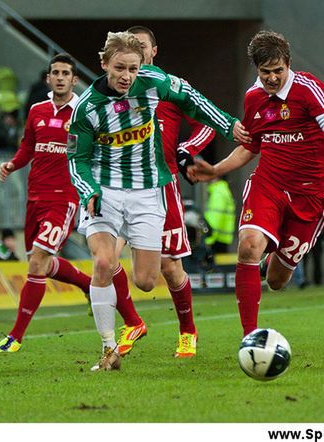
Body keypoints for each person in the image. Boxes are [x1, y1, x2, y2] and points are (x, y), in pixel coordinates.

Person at [67, 31, 249, 371]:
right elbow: (77, 159)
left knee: (148, 280)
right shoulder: (85, 108)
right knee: (104, 263)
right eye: (119, 68)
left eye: (133, 69)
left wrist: (230, 126)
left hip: (148, 191)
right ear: (104, 64)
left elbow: (193, 101)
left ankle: (155, 323)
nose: (126, 76)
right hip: (104, 191)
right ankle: (108, 350)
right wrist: (88, 190)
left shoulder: (156, 82)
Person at [188, 30, 324, 336]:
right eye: (266, 72)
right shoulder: (253, 97)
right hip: (269, 185)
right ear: (257, 69)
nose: (273, 78)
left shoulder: (309, 90)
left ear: (288, 64)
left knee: (278, 281)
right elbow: (251, 145)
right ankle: (249, 337)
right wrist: (215, 170)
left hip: (310, 196)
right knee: (248, 247)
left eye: (279, 70)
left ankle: (268, 265)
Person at [111, 26, 217, 359]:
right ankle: (132, 322)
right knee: (105, 257)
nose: (136, 51)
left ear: (153, 51)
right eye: (130, 46)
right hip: (120, 184)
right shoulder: (114, 91)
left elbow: (208, 122)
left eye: (141, 46)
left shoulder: (168, 87)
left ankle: (188, 332)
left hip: (160, 185)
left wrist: (187, 149)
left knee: (169, 268)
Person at [0, 53, 92, 354]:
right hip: (34, 199)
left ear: (74, 80)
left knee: (37, 262)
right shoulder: (36, 110)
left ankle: (15, 337)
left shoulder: (82, 113)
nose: (60, 77)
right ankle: (89, 285)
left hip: (63, 200)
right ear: (48, 78)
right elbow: (27, 147)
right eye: (55, 73)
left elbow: (89, 155)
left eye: (66, 73)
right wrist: (12, 164)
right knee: (43, 266)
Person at [204, 177, 236, 254]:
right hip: (222, 239)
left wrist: (208, 240)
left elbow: (214, 219)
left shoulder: (218, 192)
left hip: (216, 240)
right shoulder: (223, 189)